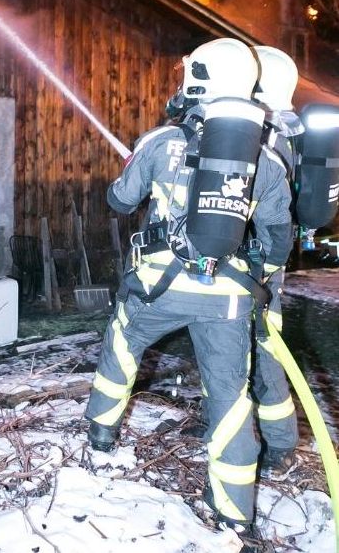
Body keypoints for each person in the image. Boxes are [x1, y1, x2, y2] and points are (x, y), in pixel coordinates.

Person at [84, 37, 293, 537]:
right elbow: (278, 238)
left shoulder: (160, 141)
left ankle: (100, 436)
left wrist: (146, 164)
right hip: (227, 299)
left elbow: (119, 199)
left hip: (157, 289)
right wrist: (256, 280)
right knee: (230, 395)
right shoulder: (265, 162)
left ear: (195, 78)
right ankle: (234, 513)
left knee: (122, 347)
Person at [250, 45, 304, 474]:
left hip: (260, 262)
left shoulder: (273, 137)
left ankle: (281, 444)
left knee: (265, 351)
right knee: (224, 345)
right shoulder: (264, 129)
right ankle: (226, 423)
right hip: (242, 256)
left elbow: (269, 209)